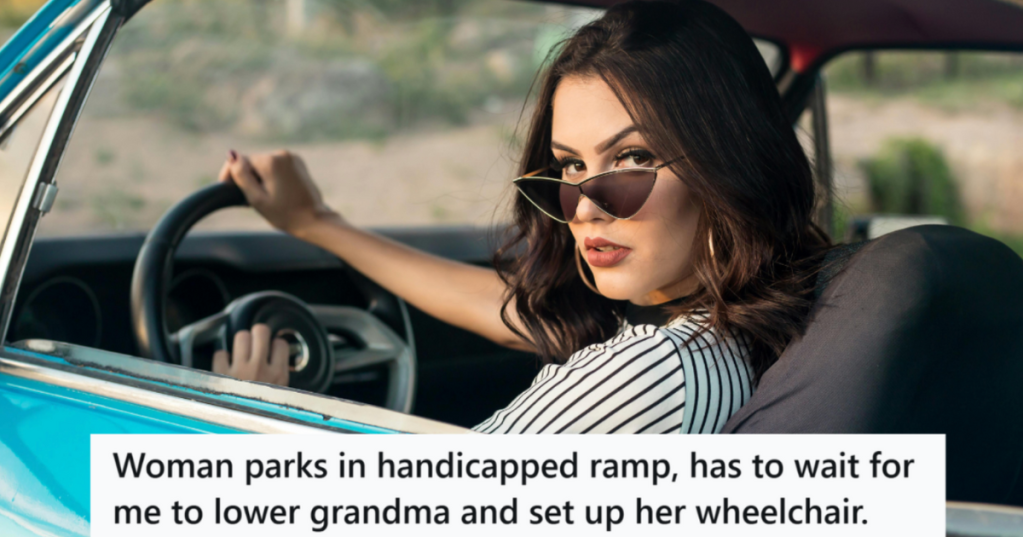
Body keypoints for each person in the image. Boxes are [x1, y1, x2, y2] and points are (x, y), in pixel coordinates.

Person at [212, 0, 831, 433]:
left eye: (633, 158)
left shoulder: (652, 374)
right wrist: (316, 222)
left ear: (730, 165)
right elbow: (525, 314)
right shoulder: (742, 337)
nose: (585, 207)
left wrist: (254, 413)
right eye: (569, 167)